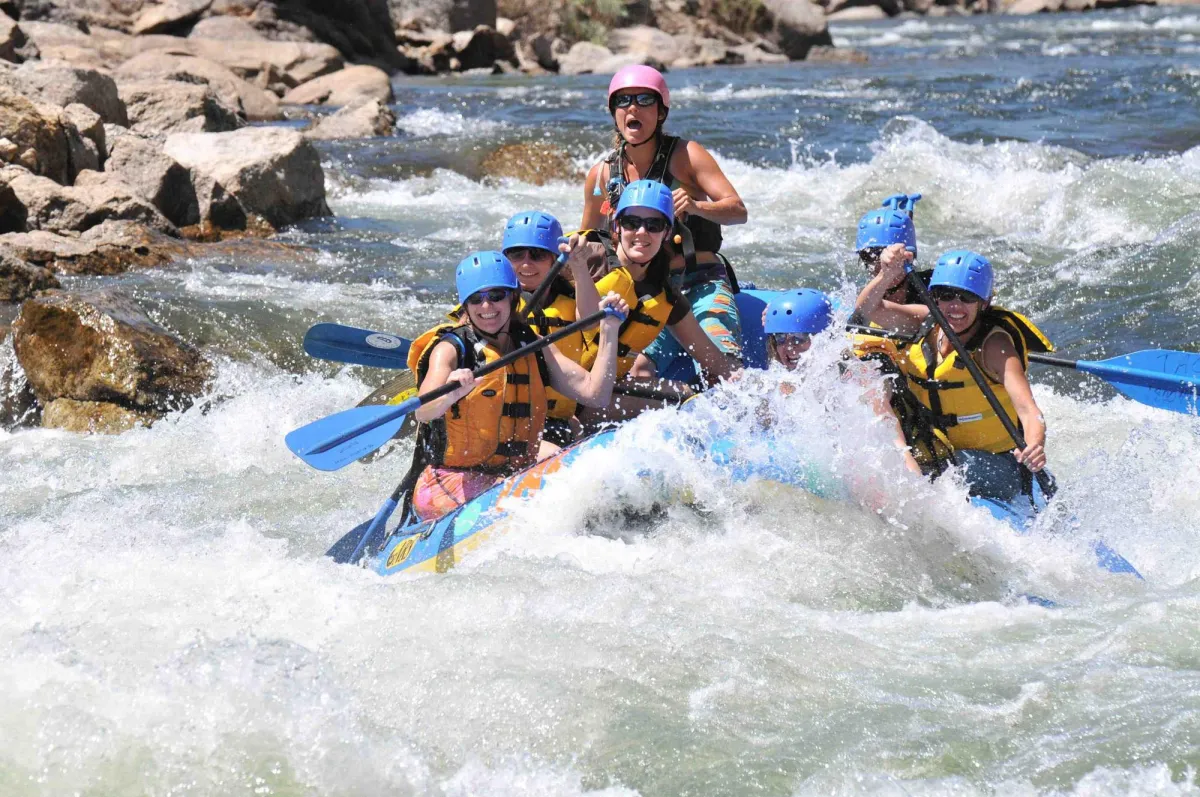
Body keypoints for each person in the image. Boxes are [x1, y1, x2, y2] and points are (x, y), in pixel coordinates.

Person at [402, 251, 629, 521]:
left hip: (509, 475)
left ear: (512, 296)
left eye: (496, 295)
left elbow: (596, 394)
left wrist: (609, 331)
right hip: (449, 482)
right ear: (466, 305)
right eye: (477, 299)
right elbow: (423, 410)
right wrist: (451, 392)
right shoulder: (451, 349)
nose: (487, 307)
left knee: (577, 471)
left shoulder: (530, 344)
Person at [581, 65, 746, 383]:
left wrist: (698, 207)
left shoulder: (687, 155)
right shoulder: (601, 175)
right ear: (614, 112)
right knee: (638, 371)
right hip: (650, 293)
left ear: (660, 113)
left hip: (701, 283)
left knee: (721, 367)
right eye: (623, 100)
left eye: (644, 100)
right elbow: (590, 242)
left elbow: (738, 210)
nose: (632, 107)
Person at [855, 250, 1054, 500]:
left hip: (997, 466)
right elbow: (868, 309)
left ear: (985, 302)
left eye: (967, 297)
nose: (955, 306)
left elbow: (1028, 409)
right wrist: (887, 274)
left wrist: (1035, 444)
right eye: (946, 296)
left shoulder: (995, 348)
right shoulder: (928, 323)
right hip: (939, 453)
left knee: (947, 467)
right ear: (934, 297)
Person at [583, 179, 739, 421]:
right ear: (617, 226)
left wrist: (759, 389)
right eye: (631, 223)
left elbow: (716, 363)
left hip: (595, 398)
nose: (642, 232)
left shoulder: (665, 296)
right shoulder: (586, 260)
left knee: (687, 399)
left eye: (654, 225)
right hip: (560, 388)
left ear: (667, 233)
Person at [760, 289, 922, 475]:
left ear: (823, 338)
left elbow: (896, 443)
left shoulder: (860, 378)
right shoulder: (784, 379)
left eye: (799, 338)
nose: (788, 348)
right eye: (780, 337)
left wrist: (915, 483)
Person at [501, 210, 602, 446]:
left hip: (558, 418)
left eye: (537, 254)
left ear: (554, 258)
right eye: (516, 254)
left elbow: (592, 321)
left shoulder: (570, 299)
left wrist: (578, 264)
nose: (526, 263)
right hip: (508, 420)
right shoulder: (491, 301)